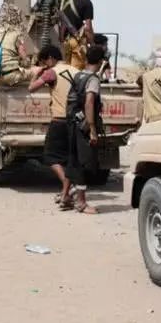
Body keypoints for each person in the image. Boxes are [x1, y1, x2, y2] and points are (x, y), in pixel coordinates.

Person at [28, 45, 80, 208]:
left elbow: (31, 88)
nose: (45, 65)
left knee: (50, 156)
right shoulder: (76, 71)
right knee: (69, 158)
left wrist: (36, 73)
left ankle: (67, 186)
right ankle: (65, 194)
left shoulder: (52, 72)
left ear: (50, 58)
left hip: (59, 120)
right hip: (75, 121)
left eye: (45, 62)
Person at [63, 45, 106, 214]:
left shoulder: (78, 75)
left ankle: (65, 196)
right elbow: (89, 102)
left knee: (73, 159)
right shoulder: (93, 79)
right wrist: (92, 128)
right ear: (101, 61)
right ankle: (81, 202)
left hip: (72, 123)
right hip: (83, 126)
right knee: (85, 163)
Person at [0, 3, 40, 86]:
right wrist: (28, 64)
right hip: (9, 76)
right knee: (37, 71)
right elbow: (24, 58)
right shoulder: (15, 33)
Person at [60, 0, 96, 70]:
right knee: (76, 71)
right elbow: (88, 28)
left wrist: (62, 40)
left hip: (66, 42)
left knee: (66, 71)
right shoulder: (86, 2)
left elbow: (63, 23)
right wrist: (92, 44)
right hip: (78, 43)